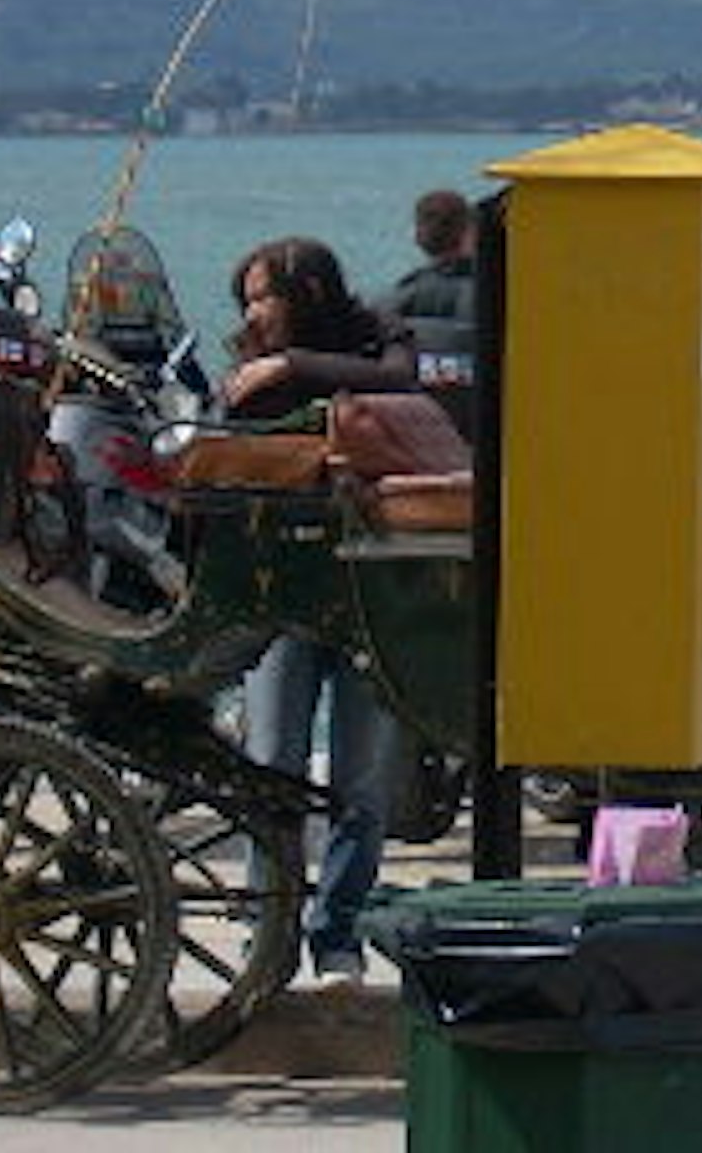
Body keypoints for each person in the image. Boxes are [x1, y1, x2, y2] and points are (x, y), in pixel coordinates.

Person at [225, 235, 420, 980]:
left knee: (362, 778)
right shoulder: (247, 362)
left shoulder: (379, 333)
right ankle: (266, 924)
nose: (254, 314)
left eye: (264, 297)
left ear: (304, 294)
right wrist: (261, 369)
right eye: (246, 301)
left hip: (371, 594)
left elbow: (400, 381)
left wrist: (294, 367)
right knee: (268, 762)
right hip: (281, 596)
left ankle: (337, 928)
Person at [379, 188, 480, 439]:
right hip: (482, 425)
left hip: (419, 430)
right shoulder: (499, 295)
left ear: (418, 237)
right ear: (470, 232)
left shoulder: (393, 301)